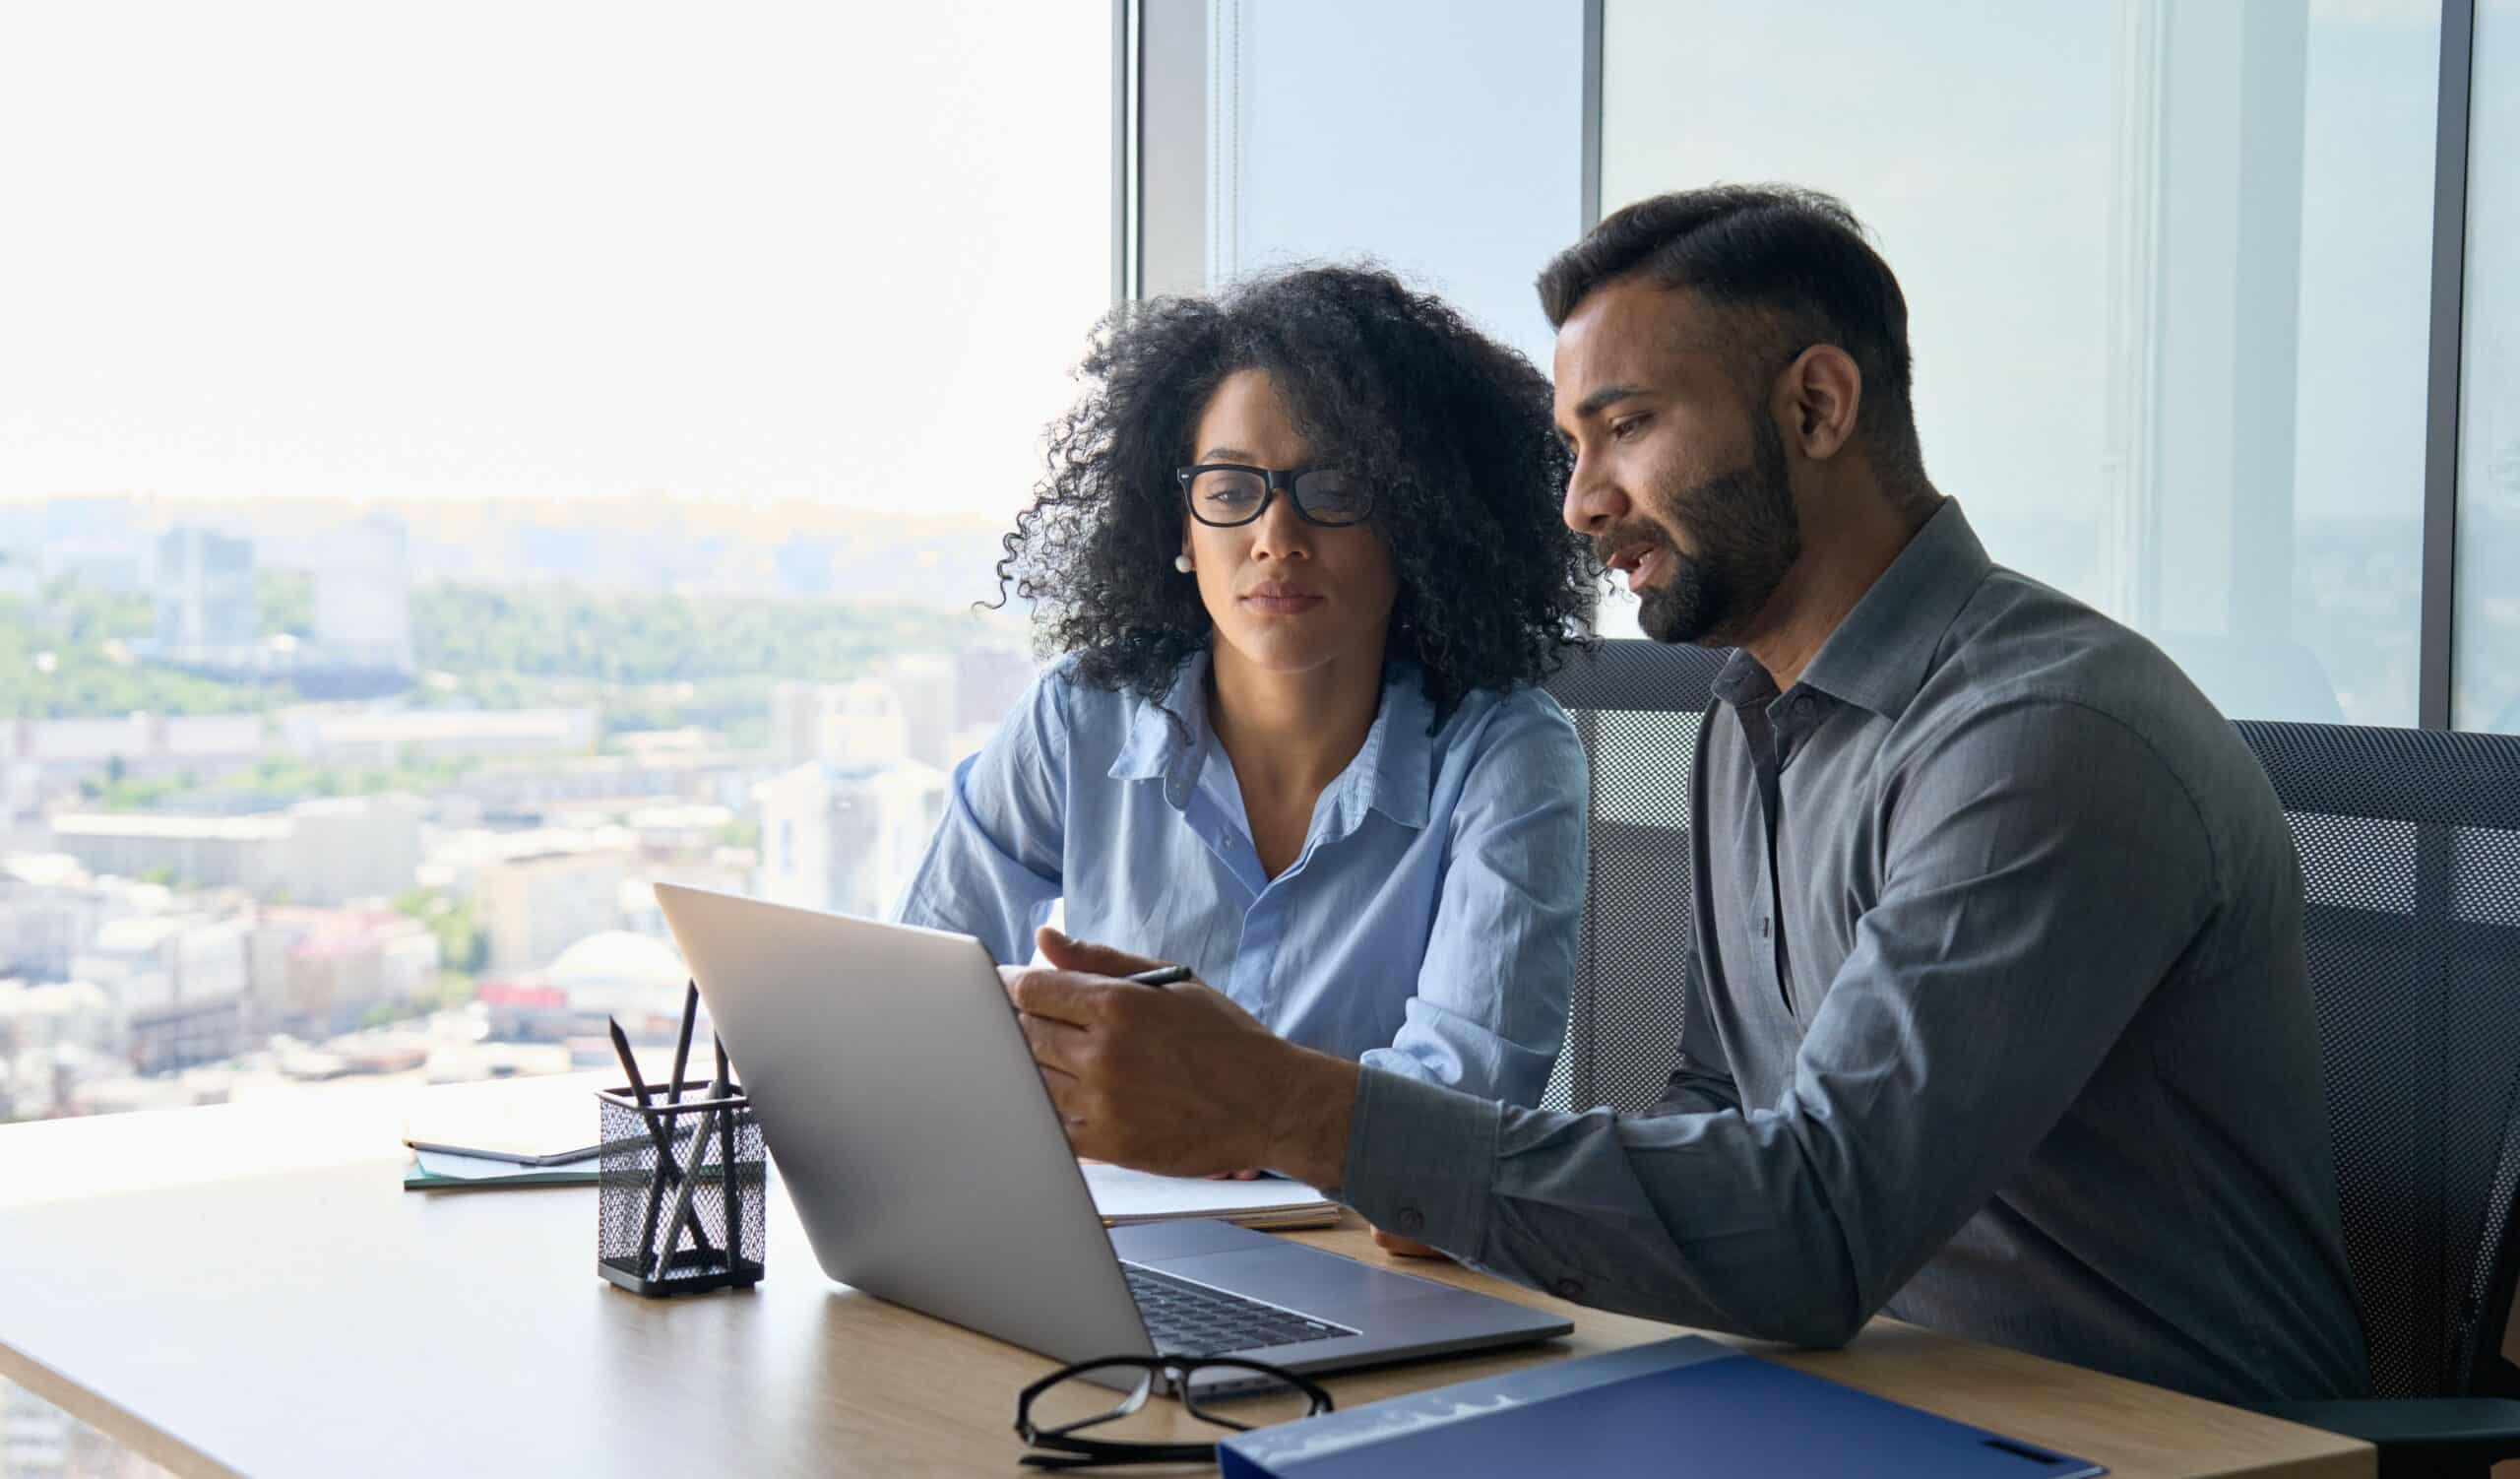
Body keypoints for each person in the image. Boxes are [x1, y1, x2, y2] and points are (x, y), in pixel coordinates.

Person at [1002, 187, 2371, 1405]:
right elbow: (1719, 1105)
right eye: (1572, 444)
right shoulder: (1748, 715)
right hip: (1848, 1393)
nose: (1582, 503)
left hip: (2143, 1433)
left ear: (1817, 409)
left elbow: (1817, 1225)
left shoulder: (2041, 737)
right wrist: (1447, 1179)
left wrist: (1300, 1110)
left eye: (1627, 428)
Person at [897, 265, 1596, 1126]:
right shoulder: (1078, 718)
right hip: (1111, 1225)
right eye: (1230, 492)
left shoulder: (1507, 755)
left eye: (1333, 489)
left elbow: (1458, 1110)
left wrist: (1217, 1111)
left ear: (1416, 521)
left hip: (1362, 1248)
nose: (1276, 539)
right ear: (1181, 530)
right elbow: (923, 992)